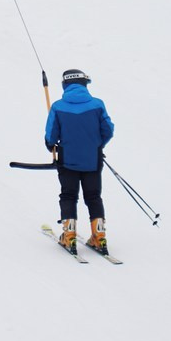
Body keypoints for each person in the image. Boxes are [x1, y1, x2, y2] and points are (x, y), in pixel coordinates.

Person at [45, 69, 115, 256]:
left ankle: (69, 235)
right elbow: (108, 130)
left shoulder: (58, 107)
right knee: (93, 197)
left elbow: (51, 134)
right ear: (84, 84)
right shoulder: (97, 105)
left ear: (65, 85)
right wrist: (97, 145)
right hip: (93, 158)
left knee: (68, 195)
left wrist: (50, 144)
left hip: (68, 159)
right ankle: (99, 236)